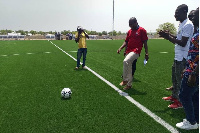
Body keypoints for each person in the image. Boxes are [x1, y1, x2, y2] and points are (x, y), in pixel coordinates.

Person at [159, 4, 194, 109]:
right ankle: (174, 96)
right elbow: (178, 37)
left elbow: (183, 42)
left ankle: (180, 102)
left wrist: (168, 37)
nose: (175, 15)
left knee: (180, 79)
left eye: (177, 13)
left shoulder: (188, 24)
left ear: (184, 11)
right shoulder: (182, 24)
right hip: (177, 56)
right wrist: (168, 35)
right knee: (174, 78)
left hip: (183, 56)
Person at [176, 7, 199, 130]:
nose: (192, 17)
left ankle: (191, 122)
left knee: (184, 95)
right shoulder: (197, 31)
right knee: (195, 95)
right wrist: (187, 68)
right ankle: (196, 120)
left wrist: (194, 73)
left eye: (195, 15)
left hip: (195, 71)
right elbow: (194, 52)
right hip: (191, 68)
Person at [117, 17, 149, 90]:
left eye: (131, 24)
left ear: (136, 23)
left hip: (136, 51)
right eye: (129, 24)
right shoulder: (129, 31)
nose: (130, 26)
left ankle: (125, 80)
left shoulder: (142, 30)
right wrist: (121, 48)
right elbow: (126, 41)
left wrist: (146, 53)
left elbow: (145, 42)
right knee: (129, 66)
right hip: (129, 50)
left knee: (126, 61)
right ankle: (129, 84)